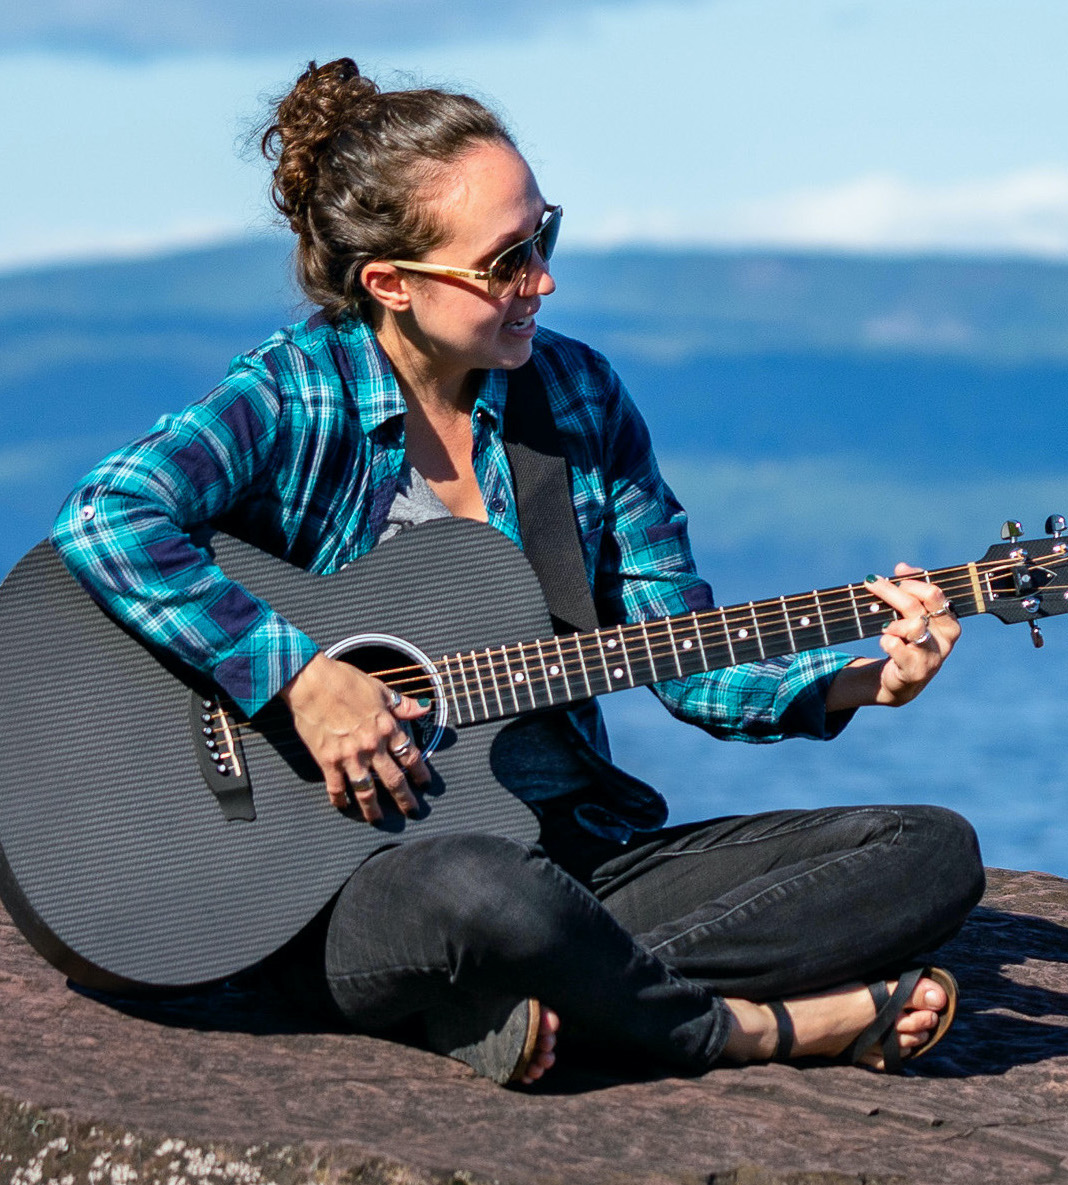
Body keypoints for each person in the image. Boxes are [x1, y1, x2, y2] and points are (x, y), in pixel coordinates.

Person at [51, 58, 985, 1087]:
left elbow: (679, 649)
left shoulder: (576, 398)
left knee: (928, 853)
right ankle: (741, 1030)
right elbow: (108, 517)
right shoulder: (296, 395)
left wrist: (862, 680)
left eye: (545, 236)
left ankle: (525, 1007)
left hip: (571, 860)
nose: (541, 279)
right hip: (349, 884)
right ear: (391, 285)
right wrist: (303, 682)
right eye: (505, 261)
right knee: (481, 890)